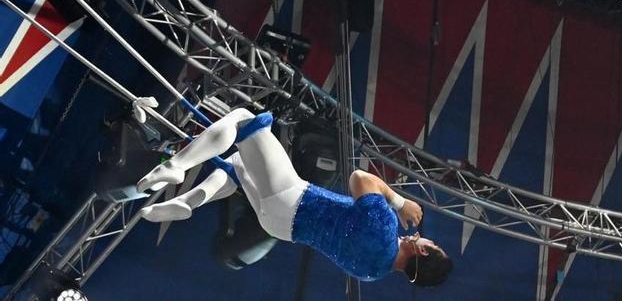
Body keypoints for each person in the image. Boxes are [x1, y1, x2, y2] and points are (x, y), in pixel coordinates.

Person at [136, 108, 452, 286]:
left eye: (430, 244)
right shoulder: (372, 272)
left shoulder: (386, 232)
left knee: (245, 121)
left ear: (422, 254)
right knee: (237, 164)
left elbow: (360, 178)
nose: (424, 237)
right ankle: (191, 200)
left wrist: (399, 203)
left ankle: (177, 166)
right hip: (281, 228)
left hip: (294, 200)